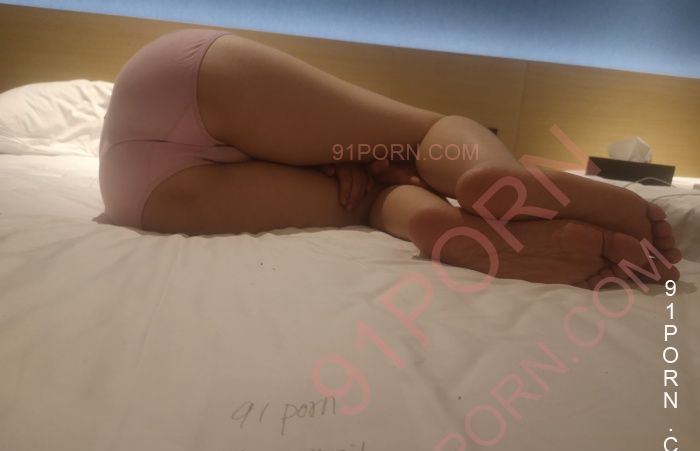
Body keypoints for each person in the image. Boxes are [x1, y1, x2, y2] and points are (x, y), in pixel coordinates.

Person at [99, 28, 681, 289]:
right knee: (424, 133)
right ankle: (493, 177)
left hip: (141, 195)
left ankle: (450, 226)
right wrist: (379, 156)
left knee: (365, 199)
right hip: (197, 97)